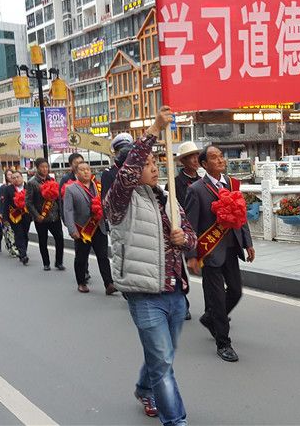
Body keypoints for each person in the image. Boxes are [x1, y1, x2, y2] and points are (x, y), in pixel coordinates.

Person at [105, 106, 196, 425]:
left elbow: (192, 238)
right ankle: (175, 420)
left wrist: (184, 239)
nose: (154, 167)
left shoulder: (169, 198)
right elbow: (129, 170)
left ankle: (145, 388)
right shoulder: (120, 200)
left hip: (175, 292)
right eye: (147, 164)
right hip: (144, 294)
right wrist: (155, 129)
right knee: (164, 365)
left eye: (156, 162)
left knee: (163, 356)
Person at [184, 145, 255, 363]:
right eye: (214, 158)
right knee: (216, 298)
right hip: (210, 251)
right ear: (204, 164)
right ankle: (223, 343)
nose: (220, 160)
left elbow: (240, 216)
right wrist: (192, 255)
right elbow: (190, 225)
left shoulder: (231, 184)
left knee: (235, 291)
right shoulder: (196, 190)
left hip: (232, 248)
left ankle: (211, 318)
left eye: (221, 156)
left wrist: (248, 243)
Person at [63, 162, 115, 294]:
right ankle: (81, 282)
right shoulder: (71, 189)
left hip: (99, 226)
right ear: (76, 173)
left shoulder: (99, 186)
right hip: (82, 229)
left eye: (88, 169)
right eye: (82, 170)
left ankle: (109, 283)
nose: (86, 172)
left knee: (103, 256)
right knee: (81, 258)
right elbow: (68, 211)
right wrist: (72, 229)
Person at [173, 141, 201, 321]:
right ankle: (183, 304)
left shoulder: (203, 181)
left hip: (201, 231)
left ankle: (214, 309)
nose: (195, 160)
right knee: (180, 270)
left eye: (196, 156)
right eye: (190, 157)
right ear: (183, 161)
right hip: (182, 231)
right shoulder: (175, 183)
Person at [25, 158, 66, 271]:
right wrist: (36, 215)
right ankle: (46, 263)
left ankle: (59, 262)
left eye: (46, 167)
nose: (45, 169)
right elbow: (28, 202)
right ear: (37, 168)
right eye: (42, 167)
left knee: (59, 238)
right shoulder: (32, 182)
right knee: (43, 240)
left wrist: (60, 212)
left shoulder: (52, 180)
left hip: (54, 216)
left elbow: (57, 198)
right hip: (41, 217)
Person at [2, 172, 31, 265]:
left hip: (27, 215)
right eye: (13, 178)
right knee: (19, 234)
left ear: (22, 177)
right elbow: (5, 204)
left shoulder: (28, 187)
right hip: (14, 216)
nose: (16, 179)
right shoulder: (8, 189)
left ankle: (23, 250)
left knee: (25, 234)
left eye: (18, 177)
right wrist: (5, 218)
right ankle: (23, 254)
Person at [101, 133, 134, 202]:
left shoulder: (135, 169)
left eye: (128, 151)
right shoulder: (109, 174)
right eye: (122, 151)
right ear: (116, 153)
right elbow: (106, 200)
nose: (125, 154)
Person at [0, 170, 19, 258]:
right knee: (8, 231)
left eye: (12, 174)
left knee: (16, 232)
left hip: (17, 213)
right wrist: (1, 212)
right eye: (8, 175)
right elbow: (1, 201)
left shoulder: (17, 186)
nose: (10, 176)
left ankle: (18, 247)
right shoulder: (3, 188)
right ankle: (12, 248)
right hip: (7, 212)